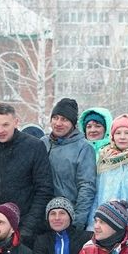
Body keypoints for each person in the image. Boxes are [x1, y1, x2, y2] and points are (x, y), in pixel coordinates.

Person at [0, 103, 52, 243]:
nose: (0, 130)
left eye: (5, 125)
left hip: (23, 228)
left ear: (16, 122)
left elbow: (44, 190)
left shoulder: (34, 147)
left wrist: (28, 228)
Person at [47, 97, 96, 232]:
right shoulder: (42, 143)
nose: (58, 123)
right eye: (55, 118)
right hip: (44, 217)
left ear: (73, 124)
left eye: (64, 119)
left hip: (69, 217)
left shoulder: (84, 148)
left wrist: (78, 221)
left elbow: (87, 186)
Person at [90, 115, 128, 231]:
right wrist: (92, 225)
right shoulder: (104, 159)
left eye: (127, 133)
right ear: (112, 136)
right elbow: (96, 194)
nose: (122, 137)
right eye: (118, 133)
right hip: (106, 223)